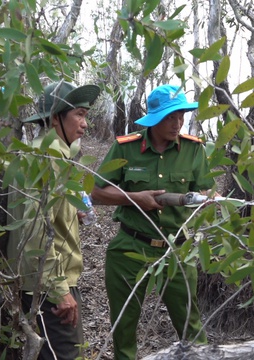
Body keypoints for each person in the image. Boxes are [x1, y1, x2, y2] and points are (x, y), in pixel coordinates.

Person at [91, 84, 214, 360]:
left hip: (177, 249)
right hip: (131, 246)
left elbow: (206, 189)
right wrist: (135, 198)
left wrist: (206, 199)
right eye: (171, 116)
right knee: (124, 325)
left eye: (181, 115)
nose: (177, 123)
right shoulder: (126, 148)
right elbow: (96, 192)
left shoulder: (193, 150)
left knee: (190, 323)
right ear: (155, 117)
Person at [7, 81, 100, 360]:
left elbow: (44, 216)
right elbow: (35, 230)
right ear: (55, 118)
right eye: (79, 115)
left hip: (42, 281)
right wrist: (59, 291)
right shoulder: (48, 156)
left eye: (86, 115)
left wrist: (73, 212)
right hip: (47, 286)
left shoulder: (52, 153)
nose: (84, 124)